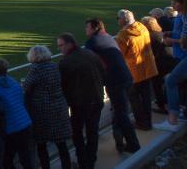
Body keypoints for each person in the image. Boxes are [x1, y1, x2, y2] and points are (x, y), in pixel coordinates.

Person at [85, 18, 140, 152]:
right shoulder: (108, 37)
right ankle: (120, 142)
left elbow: (87, 62)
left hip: (115, 81)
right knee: (119, 111)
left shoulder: (92, 42)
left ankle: (133, 144)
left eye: (87, 27)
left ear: (95, 28)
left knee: (121, 113)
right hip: (126, 77)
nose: (85, 30)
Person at [57, 33, 105, 169]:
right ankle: (90, 161)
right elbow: (103, 73)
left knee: (77, 132)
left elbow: (62, 86)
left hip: (80, 103)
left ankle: (83, 161)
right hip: (96, 98)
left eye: (61, 45)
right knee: (92, 131)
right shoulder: (90, 54)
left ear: (69, 44)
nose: (59, 49)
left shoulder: (65, 62)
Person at [24, 45, 72, 169]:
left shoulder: (35, 70)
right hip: (59, 108)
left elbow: (26, 89)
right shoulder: (55, 66)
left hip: (42, 112)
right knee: (61, 144)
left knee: (42, 145)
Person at [116, 9, 158, 130]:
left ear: (123, 19)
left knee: (134, 98)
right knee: (146, 96)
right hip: (148, 67)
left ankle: (141, 122)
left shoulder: (123, 35)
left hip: (134, 71)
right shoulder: (142, 26)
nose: (118, 21)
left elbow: (120, 55)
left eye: (118, 18)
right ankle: (147, 121)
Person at [0, 58, 34, 169]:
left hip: (11, 128)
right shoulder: (12, 81)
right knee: (25, 157)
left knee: (7, 160)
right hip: (25, 123)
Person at [155, 0, 187, 132]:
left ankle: (172, 120)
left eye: (175, 2)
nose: (172, 4)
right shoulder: (182, 16)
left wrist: (170, 40)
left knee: (170, 80)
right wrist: (171, 35)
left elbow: (184, 41)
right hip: (181, 55)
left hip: (183, 55)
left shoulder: (185, 17)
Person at [141, 16, 176, 114]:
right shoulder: (160, 32)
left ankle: (162, 106)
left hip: (162, 61)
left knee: (157, 84)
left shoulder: (149, 35)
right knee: (165, 82)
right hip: (171, 59)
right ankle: (165, 102)